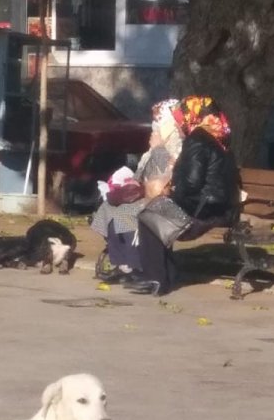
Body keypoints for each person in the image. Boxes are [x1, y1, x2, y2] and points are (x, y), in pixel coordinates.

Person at [132, 95, 240, 295]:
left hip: (202, 210)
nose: (179, 123)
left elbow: (191, 183)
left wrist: (173, 188)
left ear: (192, 116)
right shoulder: (219, 135)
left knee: (148, 217)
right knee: (158, 210)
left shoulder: (197, 139)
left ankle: (155, 278)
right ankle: (169, 273)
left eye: (181, 118)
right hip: (221, 207)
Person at [89, 99, 184, 282]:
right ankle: (122, 262)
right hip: (147, 194)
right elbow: (142, 173)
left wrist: (158, 149)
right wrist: (131, 180)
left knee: (126, 213)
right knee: (109, 208)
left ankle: (136, 264)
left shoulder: (179, 144)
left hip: (165, 199)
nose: (155, 125)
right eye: (154, 121)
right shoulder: (158, 143)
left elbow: (168, 175)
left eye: (159, 120)